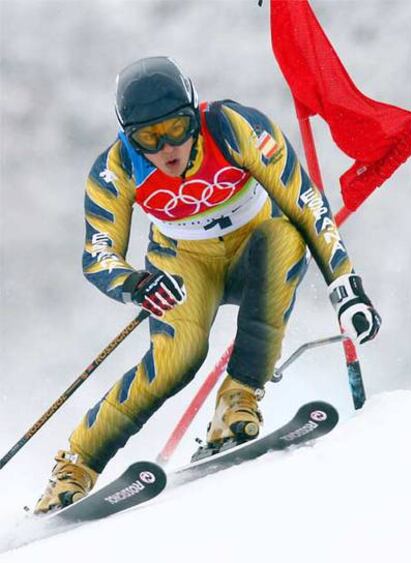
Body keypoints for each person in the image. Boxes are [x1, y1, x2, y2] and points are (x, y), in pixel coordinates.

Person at [34, 56, 381, 513]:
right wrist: (134, 283)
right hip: (183, 263)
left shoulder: (235, 128)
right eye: (148, 137)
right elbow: (98, 254)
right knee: (179, 357)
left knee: (285, 236)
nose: (166, 147)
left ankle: (236, 402)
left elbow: (306, 204)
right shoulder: (114, 168)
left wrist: (345, 285)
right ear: (127, 136)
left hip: (252, 249)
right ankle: (76, 465)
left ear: (195, 112)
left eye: (177, 127)